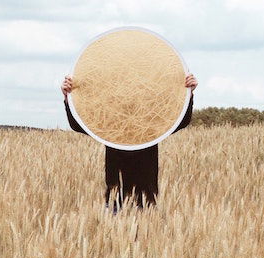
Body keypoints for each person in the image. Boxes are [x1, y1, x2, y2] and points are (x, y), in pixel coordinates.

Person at [62, 73, 198, 213]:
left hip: (146, 203)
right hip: (117, 202)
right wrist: (69, 98)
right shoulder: (110, 126)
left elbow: (180, 121)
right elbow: (79, 125)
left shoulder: (150, 126)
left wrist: (189, 94)